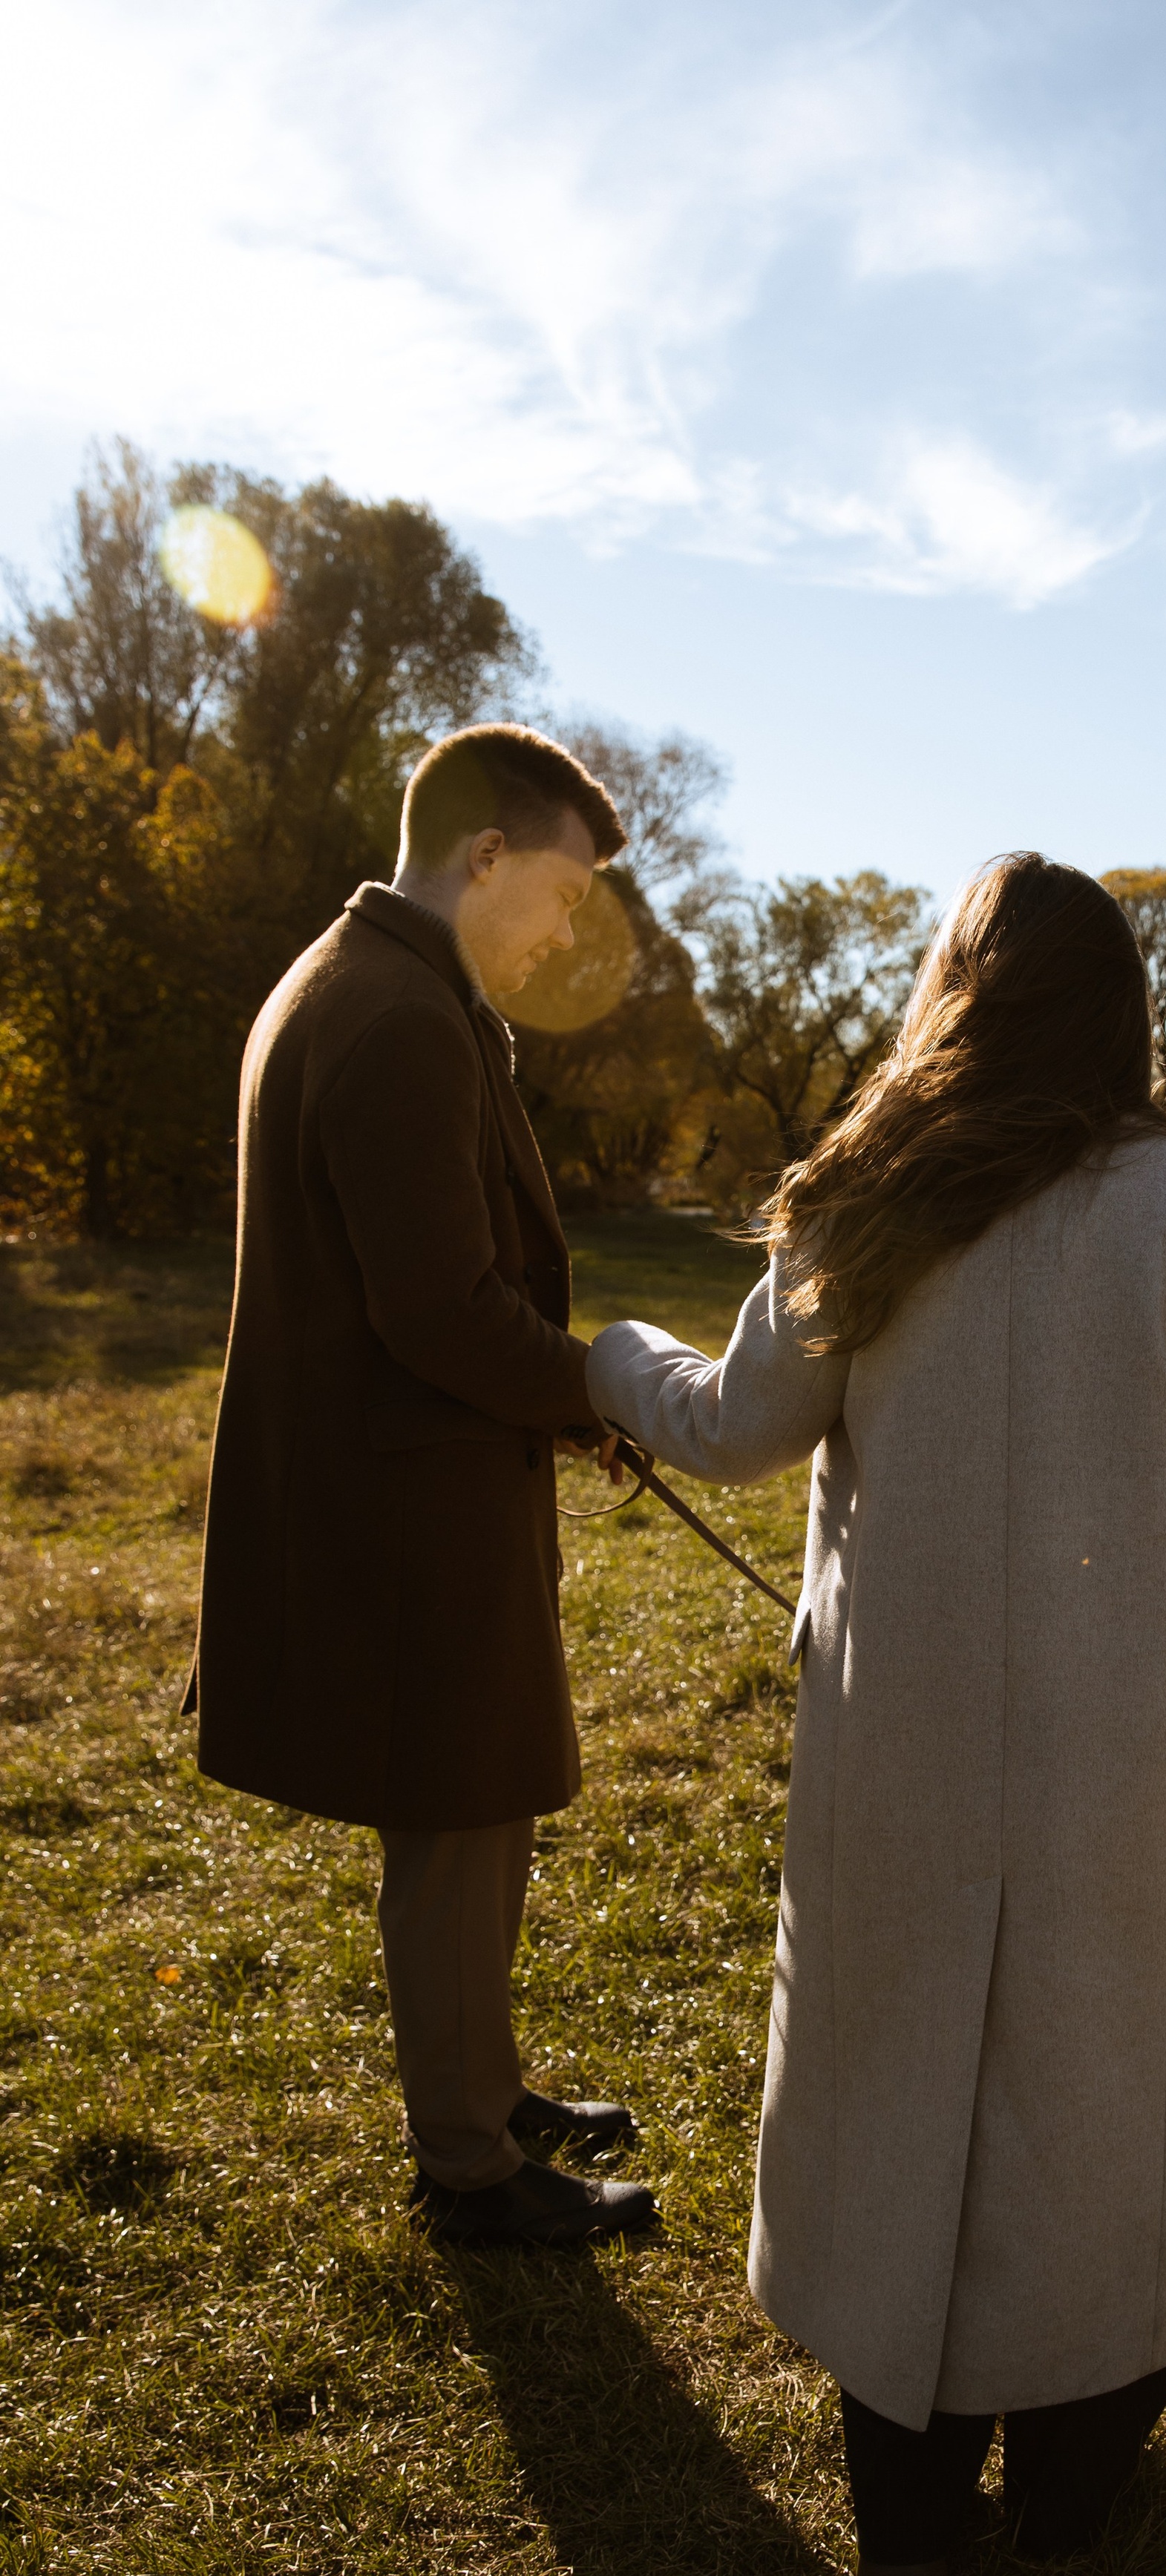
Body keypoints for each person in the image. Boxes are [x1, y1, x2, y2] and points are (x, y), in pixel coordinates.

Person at [585, 852, 1166, 2576]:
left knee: (895, 2099)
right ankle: (1071, 2502)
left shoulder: (860, 1198)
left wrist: (608, 1358)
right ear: (1126, 1013)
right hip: (1130, 1758)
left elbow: (732, 1425)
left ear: (949, 989)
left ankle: (909, 2525)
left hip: (904, 1745)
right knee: (1108, 2099)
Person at [189, 724, 658, 2250]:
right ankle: (468, 2165)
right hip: (403, 1507)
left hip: (415, 1482)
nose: (570, 925)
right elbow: (438, 1310)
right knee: (457, 1821)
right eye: (569, 890)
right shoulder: (393, 1013)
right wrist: (594, 1387)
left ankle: (484, 2082)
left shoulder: (371, 977)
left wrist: (559, 1406)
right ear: (485, 858)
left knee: (483, 1810)